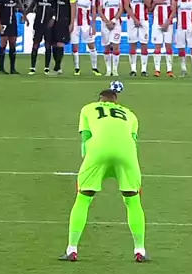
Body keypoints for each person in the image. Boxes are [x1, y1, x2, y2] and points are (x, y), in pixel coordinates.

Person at [59, 88, 149, 262]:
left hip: (98, 152)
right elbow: (133, 140)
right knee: (133, 200)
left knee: (83, 199)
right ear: (116, 101)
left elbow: (85, 138)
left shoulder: (88, 109)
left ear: (100, 100)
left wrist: (88, 160)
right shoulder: (130, 114)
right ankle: (140, 250)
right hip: (127, 153)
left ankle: (72, 249)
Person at [24, 0, 55, 75]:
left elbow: (56, 8)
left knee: (48, 45)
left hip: (49, 23)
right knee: (35, 44)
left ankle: (46, 68)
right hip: (38, 22)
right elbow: (33, 4)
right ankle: (32, 67)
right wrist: (25, 14)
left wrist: (53, 18)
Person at [70, 0, 101, 76]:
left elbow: (94, 10)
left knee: (91, 45)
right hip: (75, 23)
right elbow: (71, 6)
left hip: (86, 24)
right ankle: (77, 68)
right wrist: (71, 23)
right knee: (75, 46)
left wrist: (93, 25)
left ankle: (94, 68)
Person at [123, 0, 151, 77]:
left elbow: (149, 4)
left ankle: (144, 70)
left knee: (144, 44)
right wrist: (135, 19)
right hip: (132, 20)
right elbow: (126, 6)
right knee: (132, 44)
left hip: (144, 20)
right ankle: (133, 69)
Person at [150, 0, 177, 78]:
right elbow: (150, 8)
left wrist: (167, 22)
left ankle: (169, 70)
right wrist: (155, 2)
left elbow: (174, 9)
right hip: (156, 23)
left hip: (168, 24)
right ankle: (157, 70)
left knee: (168, 46)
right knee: (157, 47)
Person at [49, 0, 76, 75]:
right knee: (54, 43)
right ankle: (56, 65)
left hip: (64, 20)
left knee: (61, 43)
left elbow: (73, 7)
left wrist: (72, 23)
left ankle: (58, 66)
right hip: (55, 20)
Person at [97, 0, 123, 77]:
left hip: (116, 24)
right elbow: (99, 10)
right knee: (106, 47)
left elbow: (121, 9)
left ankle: (115, 70)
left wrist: (113, 20)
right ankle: (108, 70)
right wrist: (107, 22)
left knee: (116, 46)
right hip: (105, 24)